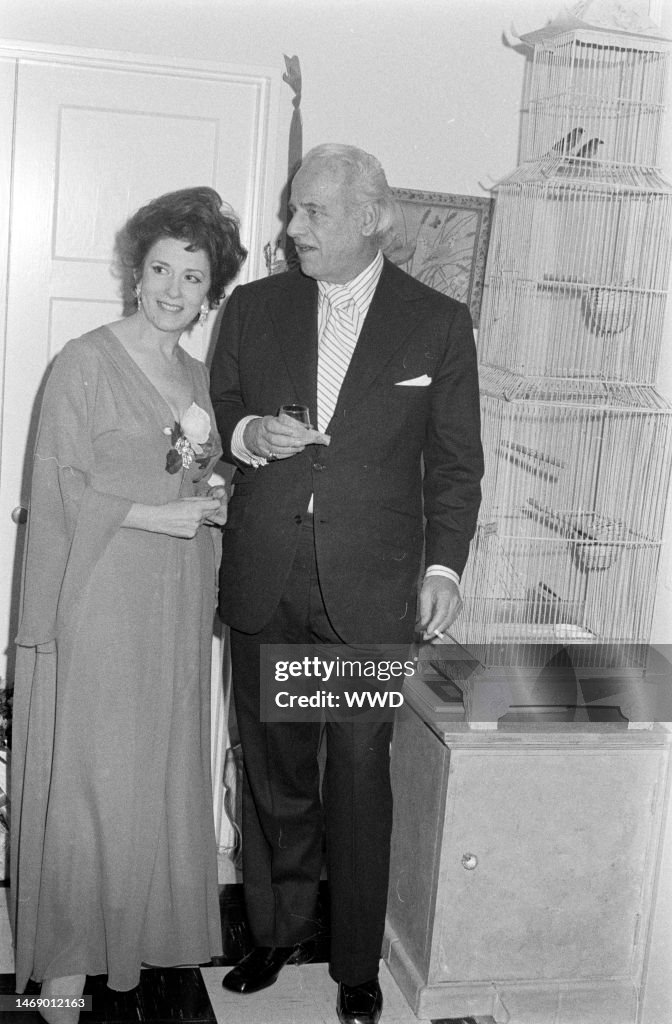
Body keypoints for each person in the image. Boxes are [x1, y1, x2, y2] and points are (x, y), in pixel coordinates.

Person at [209, 144, 483, 1024]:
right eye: (293, 211)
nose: (291, 231)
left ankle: (357, 962)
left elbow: (454, 464)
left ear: (373, 217)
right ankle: (279, 927)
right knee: (277, 770)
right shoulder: (254, 309)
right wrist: (251, 432)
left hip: (367, 593)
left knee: (360, 777)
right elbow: (223, 408)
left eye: (313, 213)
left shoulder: (435, 323)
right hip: (270, 580)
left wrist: (444, 567)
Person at [10, 187, 247, 1023]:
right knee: (89, 773)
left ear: (210, 290)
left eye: (194, 275)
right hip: (103, 588)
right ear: (134, 271)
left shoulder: (192, 374)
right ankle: (69, 959)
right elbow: (57, 489)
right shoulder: (83, 361)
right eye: (160, 269)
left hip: (172, 598)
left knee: (150, 766)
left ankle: (136, 932)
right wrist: (158, 513)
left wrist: (209, 495)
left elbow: (189, 470)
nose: (173, 289)